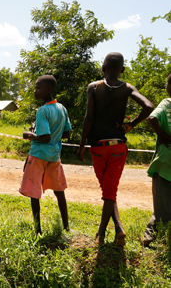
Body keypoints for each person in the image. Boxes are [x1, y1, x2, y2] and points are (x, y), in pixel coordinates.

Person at [78, 52, 154, 246]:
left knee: (108, 190)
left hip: (98, 147)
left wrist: (81, 144)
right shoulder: (128, 88)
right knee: (109, 191)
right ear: (122, 70)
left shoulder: (93, 87)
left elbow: (89, 118)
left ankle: (101, 234)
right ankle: (119, 228)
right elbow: (148, 106)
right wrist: (131, 124)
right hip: (118, 146)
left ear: (103, 68)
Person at [20, 75, 71, 235]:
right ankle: (66, 226)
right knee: (59, 191)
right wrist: (54, 137)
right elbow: (67, 133)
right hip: (54, 156)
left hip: (39, 155)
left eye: (38, 88)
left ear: (48, 90)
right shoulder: (61, 108)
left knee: (34, 192)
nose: (35, 91)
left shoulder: (42, 111)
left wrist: (30, 135)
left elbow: (45, 137)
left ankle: (38, 230)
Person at [142, 74, 171, 247]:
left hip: (166, 160)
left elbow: (152, 118)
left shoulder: (167, 102)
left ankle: (150, 236)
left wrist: (164, 136)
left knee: (161, 204)